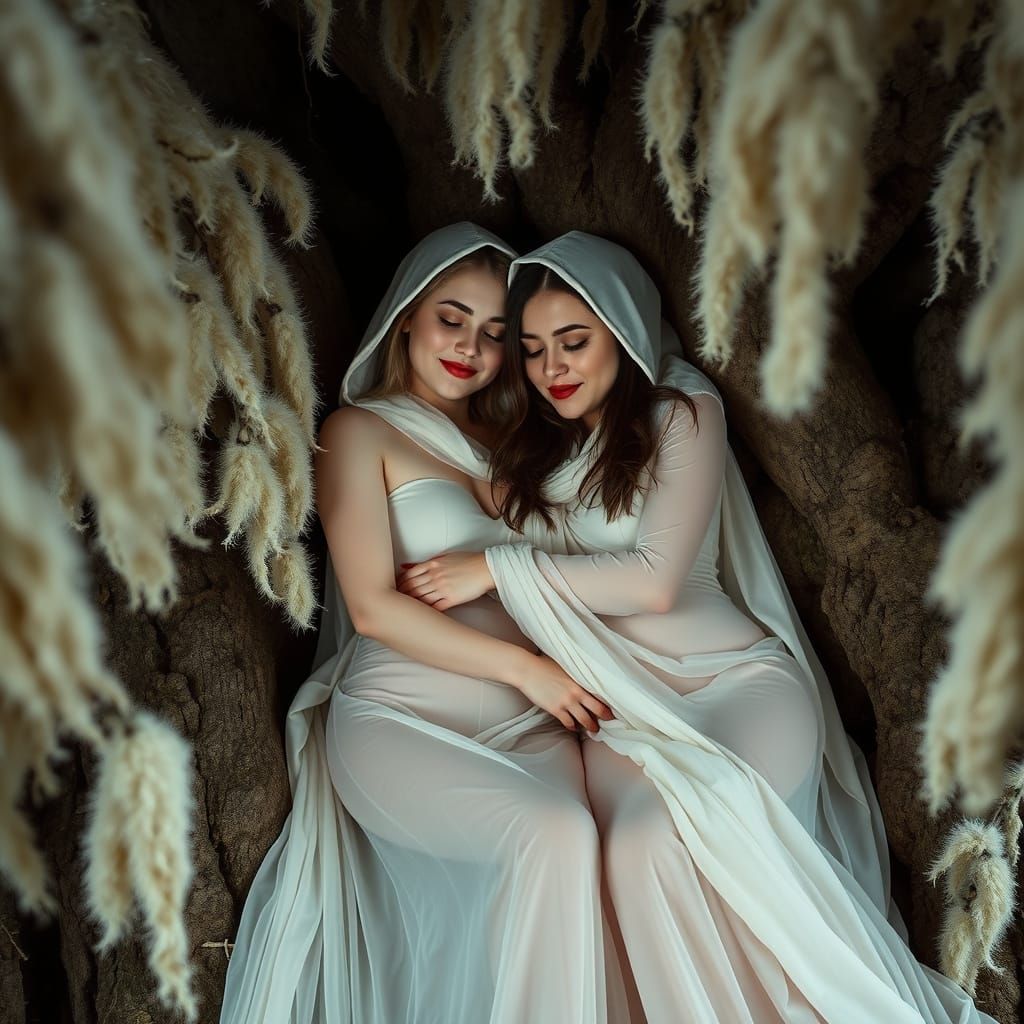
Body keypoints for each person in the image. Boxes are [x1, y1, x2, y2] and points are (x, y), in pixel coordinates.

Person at [397, 230, 1001, 1024]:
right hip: (623, 720)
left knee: (717, 813)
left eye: (575, 342)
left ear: (623, 331)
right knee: (639, 851)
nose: (555, 370)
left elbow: (652, 582)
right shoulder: (533, 458)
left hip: (735, 687)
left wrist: (499, 567)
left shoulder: (681, 411)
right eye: (536, 350)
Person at [219, 223, 631, 1024]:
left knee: (600, 864)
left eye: (494, 334)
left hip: (533, 732)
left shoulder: (517, 445)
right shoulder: (357, 432)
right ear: (408, 314)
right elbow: (373, 607)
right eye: (452, 318)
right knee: (555, 838)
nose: (469, 348)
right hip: (404, 721)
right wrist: (526, 670)